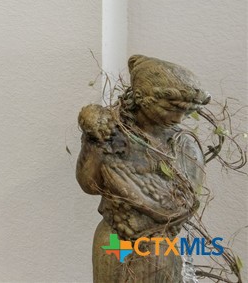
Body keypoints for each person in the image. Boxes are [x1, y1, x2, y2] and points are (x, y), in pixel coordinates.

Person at [76, 55, 210, 283]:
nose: (179, 117)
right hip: (114, 235)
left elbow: (182, 205)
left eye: (187, 111)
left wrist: (126, 185)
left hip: (157, 243)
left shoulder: (184, 144)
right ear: (141, 98)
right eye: (172, 107)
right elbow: (89, 184)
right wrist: (94, 141)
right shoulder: (110, 133)